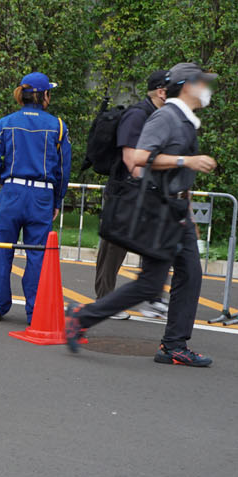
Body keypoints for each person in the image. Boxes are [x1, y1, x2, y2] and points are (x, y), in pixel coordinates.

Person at [65, 63, 218, 367]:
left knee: (190, 274)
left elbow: (177, 177)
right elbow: (138, 157)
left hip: (178, 211)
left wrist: (189, 213)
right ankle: (81, 318)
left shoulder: (186, 121)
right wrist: (187, 160)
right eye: (202, 82)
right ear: (186, 85)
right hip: (160, 212)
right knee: (150, 284)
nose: (207, 89)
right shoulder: (166, 117)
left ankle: (174, 345)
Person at [0, 72, 72, 323]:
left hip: (12, 192)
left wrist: (4, 178)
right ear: (45, 95)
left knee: (2, 249)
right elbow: (63, 170)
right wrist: (57, 199)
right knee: (37, 254)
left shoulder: (5, 123)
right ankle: (35, 310)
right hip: (42, 195)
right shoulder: (58, 126)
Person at [92, 70, 170, 318]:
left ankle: (152, 298)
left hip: (147, 191)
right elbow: (130, 159)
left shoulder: (160, 116)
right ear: (161, 92)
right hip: (125, 192)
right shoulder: (137, 115)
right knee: (114, 248)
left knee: (157, 243)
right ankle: (105, 300)